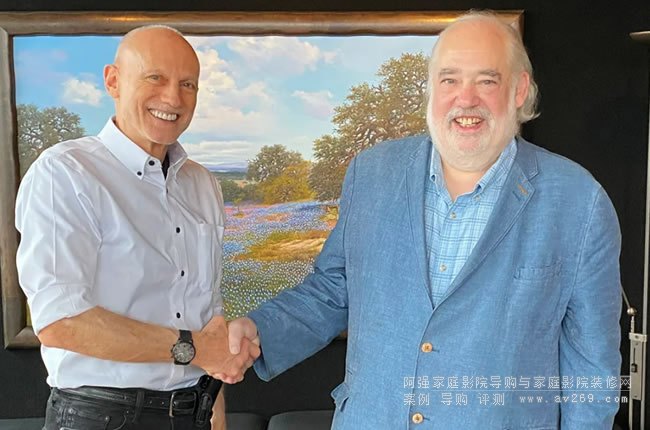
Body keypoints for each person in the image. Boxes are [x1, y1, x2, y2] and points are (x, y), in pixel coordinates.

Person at [228, 11, 622, 429]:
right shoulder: (372, 173)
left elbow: (592, 368)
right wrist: (260, 330)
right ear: (431, 88)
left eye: (486, 81)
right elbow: (333, 290)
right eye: (449, 80)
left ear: (519, 89)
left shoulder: (579, 201)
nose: (465, 99)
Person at [15, 25, 259, 430]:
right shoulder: (66, 173)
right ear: (113, 81)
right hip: (100, 417)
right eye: (155, 78)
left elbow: (208, 320)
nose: (173, 98)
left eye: (187, 84)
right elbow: (61, 322)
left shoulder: (202, 184)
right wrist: (192, 348)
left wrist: (215, 412)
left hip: (194, 409)